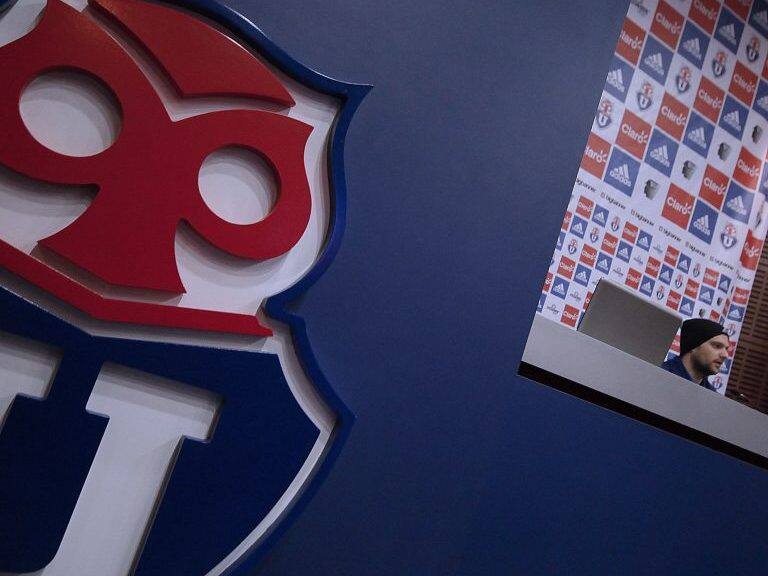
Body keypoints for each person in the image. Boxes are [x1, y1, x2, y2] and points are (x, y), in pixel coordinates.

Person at [661, 318, 729, 392]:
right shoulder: (659, 375)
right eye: (717, 346)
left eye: (726, 349)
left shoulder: (713, 397)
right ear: (693, 346)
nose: (725, 355)